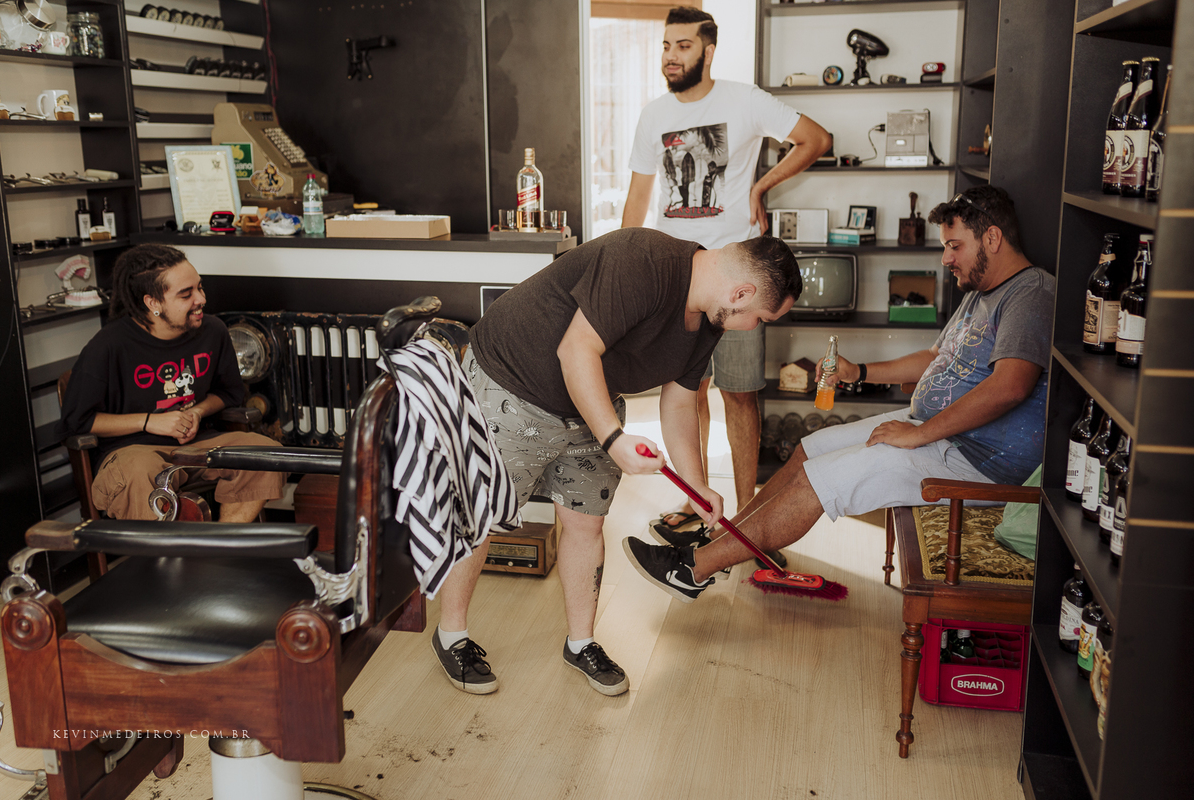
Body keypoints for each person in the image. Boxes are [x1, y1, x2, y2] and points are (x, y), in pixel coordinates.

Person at [623, 186, 1055, 600]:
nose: (946, 258)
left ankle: (690, 571)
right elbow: (933, 357)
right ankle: (728, 538)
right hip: (934, 432)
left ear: (993, 238)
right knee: (809, 449)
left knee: (821, 481)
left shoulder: (1030, 293)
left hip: (974, 460)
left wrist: (918, 435)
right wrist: (860, 370)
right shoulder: (981, 292)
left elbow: (1009, 387)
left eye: (955, 246)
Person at [431, 227, 801, 696]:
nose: (754, 327)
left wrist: (695, 485)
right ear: (741, 293)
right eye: (761, 318)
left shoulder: (710, 319)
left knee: (585, 524)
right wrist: (614, 438)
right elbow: (575, 349)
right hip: (512, 384)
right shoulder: (642, 260)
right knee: (482, 517)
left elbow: (680, 401)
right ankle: (452, 635)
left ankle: (581, 642)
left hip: (591, 401)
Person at [622, 6, 832, 535]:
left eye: (684, 46)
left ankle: (747, 512)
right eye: (667, 46)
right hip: (678, 281)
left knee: (740, 395)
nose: (671, 56)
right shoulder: (653, 115)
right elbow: (638, 199)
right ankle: (698, 504)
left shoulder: (744, 100)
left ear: (708, 50)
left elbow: (816, 139)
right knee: (684, 395)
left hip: (737, 278)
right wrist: (625, 263)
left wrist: (762, 186)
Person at [57, 244, 285, 523]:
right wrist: (150, 422)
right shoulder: (109, 346)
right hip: (131, 453)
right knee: (143, 471)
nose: (201, 299)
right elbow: (77, 421)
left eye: (200, 288)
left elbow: (229, 393)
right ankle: (168, 565)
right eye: (186, 294)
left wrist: (197, 412)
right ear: (153, 303)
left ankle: (221, 550)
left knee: (264, 453)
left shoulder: (212, 331)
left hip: (196, 446)